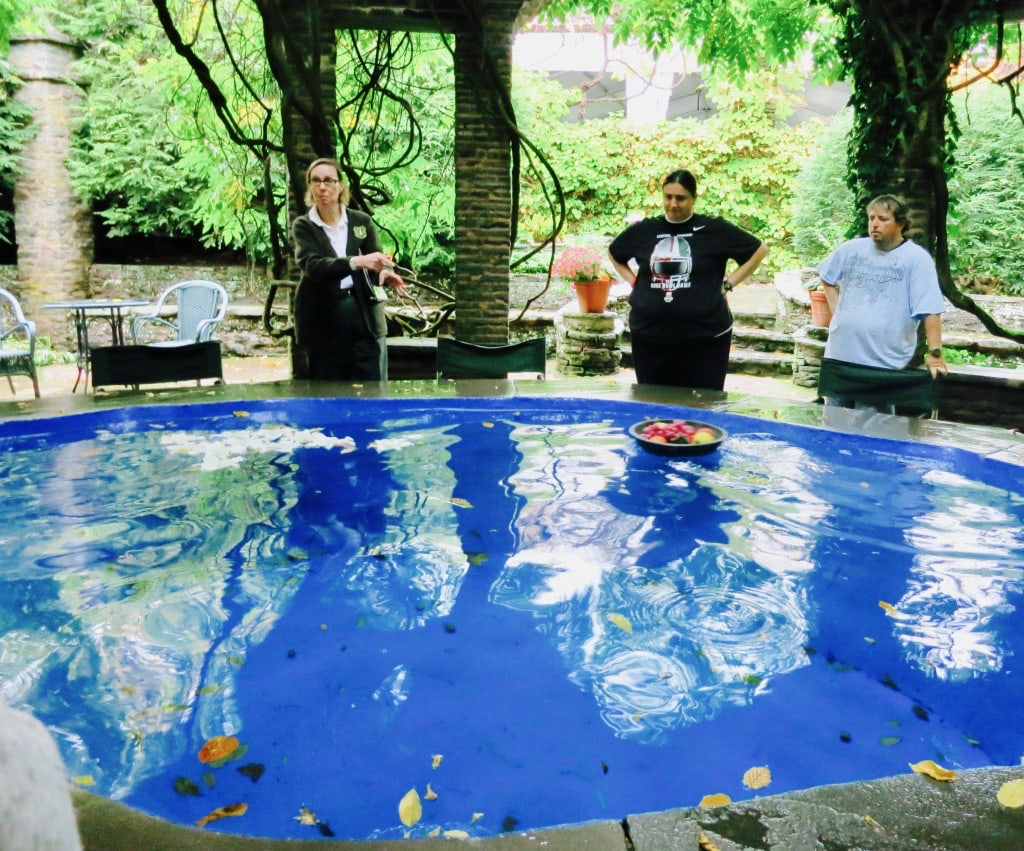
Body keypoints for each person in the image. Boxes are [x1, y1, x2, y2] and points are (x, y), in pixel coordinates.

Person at [608, 168, 768, 390]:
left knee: (702, 406)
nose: (673, 204)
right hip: (650, 338)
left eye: (681, 198)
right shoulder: (644, 230)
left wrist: (728, 284)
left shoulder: (714, 230)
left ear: (694, 198)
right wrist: (635, 282)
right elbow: (615, 253)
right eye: (668, 197)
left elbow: (759, 250)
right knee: (654, 405)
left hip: (706, 339)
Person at [816, 194, 947, 414]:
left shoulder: (916, 259)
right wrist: (838, 311)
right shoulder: (852, 249)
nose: (874, 224)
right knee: (832, 424)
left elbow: (930, 309)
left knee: (876, 428)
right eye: (871, 218)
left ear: (901, 224)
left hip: (881, 362)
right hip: (840, 355)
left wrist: (935, 354)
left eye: (883, 219)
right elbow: (827, 277)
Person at [291, 158, 404, 381]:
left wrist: (383, 273)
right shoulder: (304, 226)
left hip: (364, 317)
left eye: (328, 181)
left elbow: (375, 262)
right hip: (323, 320)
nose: (322, 187)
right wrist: (355, 262)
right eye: (315, 181)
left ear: (341, 185)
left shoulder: (361, 222)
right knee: (328, 391)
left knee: (372, 387)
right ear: (310, 187)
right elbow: (313, 266)